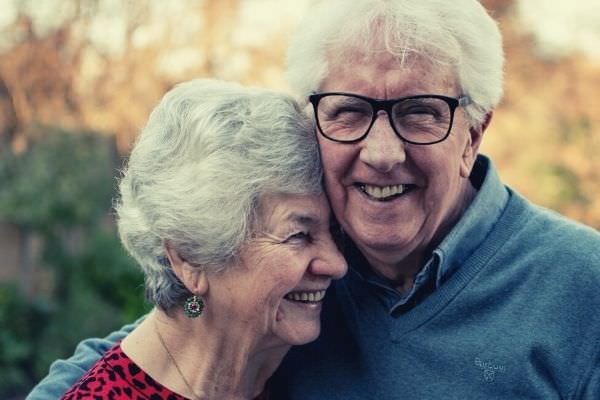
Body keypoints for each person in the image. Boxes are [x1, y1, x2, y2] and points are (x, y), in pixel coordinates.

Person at [29, 1, 600, 399]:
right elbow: (177, 330)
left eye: (420, 111)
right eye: (349, 110)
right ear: (316, 119)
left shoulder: (582, 287)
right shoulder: (311, 263)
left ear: (473, 132)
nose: (381, 153)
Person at [53, 78, 347, 399]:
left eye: (332, 231)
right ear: (189, 257)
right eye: (299, 235)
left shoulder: (302, 365)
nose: (337, 264)